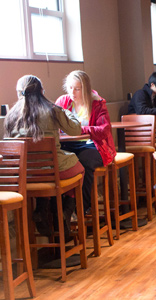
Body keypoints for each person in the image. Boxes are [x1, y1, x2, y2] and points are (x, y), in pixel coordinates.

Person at [4, 75, 85, 235]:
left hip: (25, 175)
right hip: (51, 171)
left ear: (19, 93)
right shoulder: (52, 110)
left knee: (44, 174)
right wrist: (66, 111)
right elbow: (76, 129)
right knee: (80, 168)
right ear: (41, 91)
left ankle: (41, 209)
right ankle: (67, 211)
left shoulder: (11, 115)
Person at [55, 70, 117, 215]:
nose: (73, 92)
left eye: (77, 88)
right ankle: (64, 208)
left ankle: (83, 207)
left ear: (85, 89)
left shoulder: (97, 103)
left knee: (83, 162)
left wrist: (80, 129)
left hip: (93, 145)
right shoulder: (62, 102)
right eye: (70, 88)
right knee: (60, 162)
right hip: (68, 145)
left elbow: (104, 130)